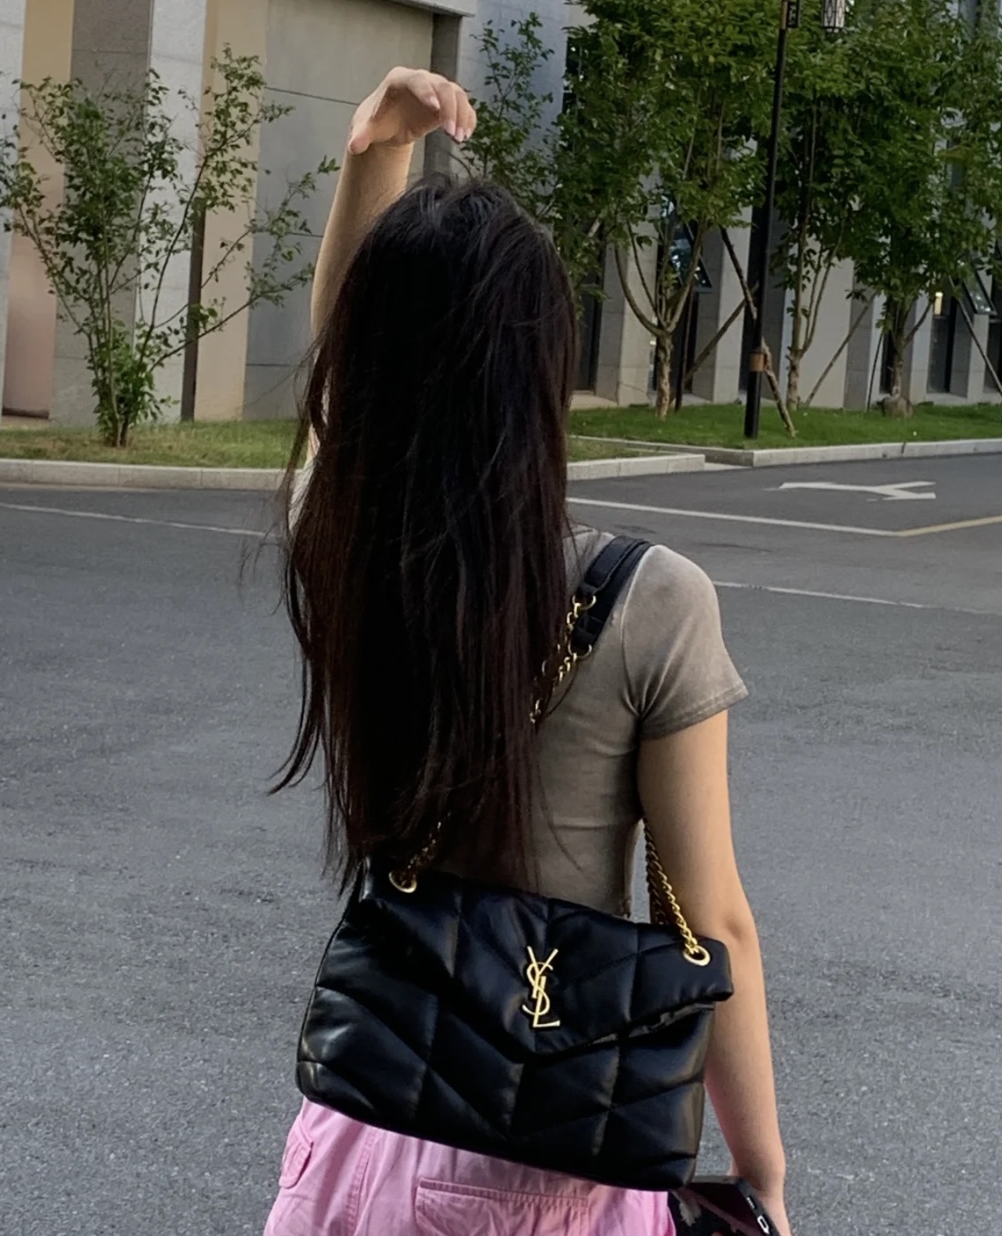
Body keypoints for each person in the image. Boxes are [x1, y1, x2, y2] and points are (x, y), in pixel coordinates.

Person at [265, 67, 792, 1236]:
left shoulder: (352, 553)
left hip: (357, 1129)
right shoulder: (653, 601)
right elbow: (711, 921)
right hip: (545, 1156)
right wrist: (764, 1172)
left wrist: (373, 155)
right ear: (539, 368)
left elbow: (352, 399)